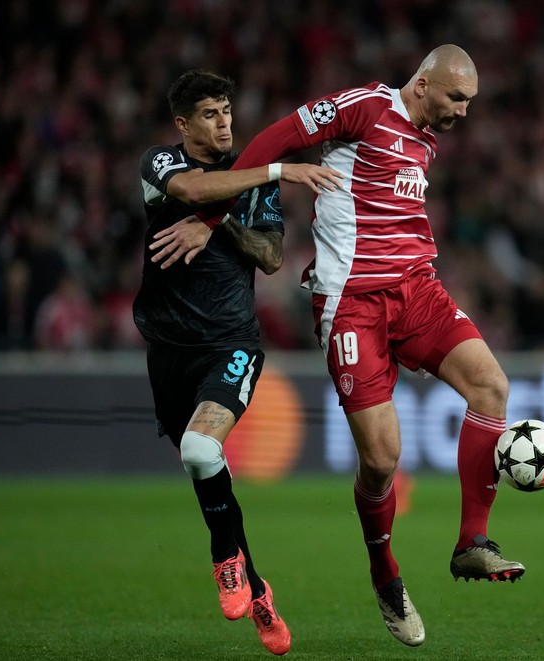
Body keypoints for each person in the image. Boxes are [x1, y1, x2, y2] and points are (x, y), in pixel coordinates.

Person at [153, 45, 520, 648]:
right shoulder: (362, 108)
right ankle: (386, 576)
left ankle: (471, 544)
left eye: (470, 102)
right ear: (423, 83)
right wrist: (214, 217)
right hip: (351, 303)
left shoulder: (426, 138)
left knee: (492, 386)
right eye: (456, 98)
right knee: (382, 460)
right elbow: (273, 141)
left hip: (418, 289)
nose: (463, 111)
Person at [134, 68, 341, 656]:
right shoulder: (159, 164)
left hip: (231, 343)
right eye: (209, 113)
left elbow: (273, 256)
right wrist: (280, 168)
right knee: (202, 469)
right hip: (168, 350)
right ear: (183, 124)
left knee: (202, 450)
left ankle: (225, 559)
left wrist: (218, 228)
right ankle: (256, 587)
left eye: (227, 110)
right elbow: (193, 192)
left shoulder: (251, 180)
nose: (224, 121)